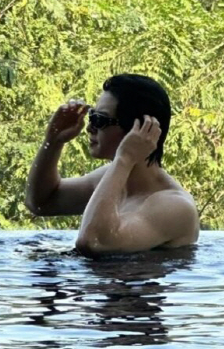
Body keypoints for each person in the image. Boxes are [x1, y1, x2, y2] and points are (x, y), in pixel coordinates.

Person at [25, 74, 200, 255]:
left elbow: (93, 242)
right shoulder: (111, 179)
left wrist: (125, 158)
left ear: (138, 130)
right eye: (91, 116)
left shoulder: (174, 206)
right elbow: (40, 202)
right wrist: (53, 142)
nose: (89, 128)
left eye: (100, 120)